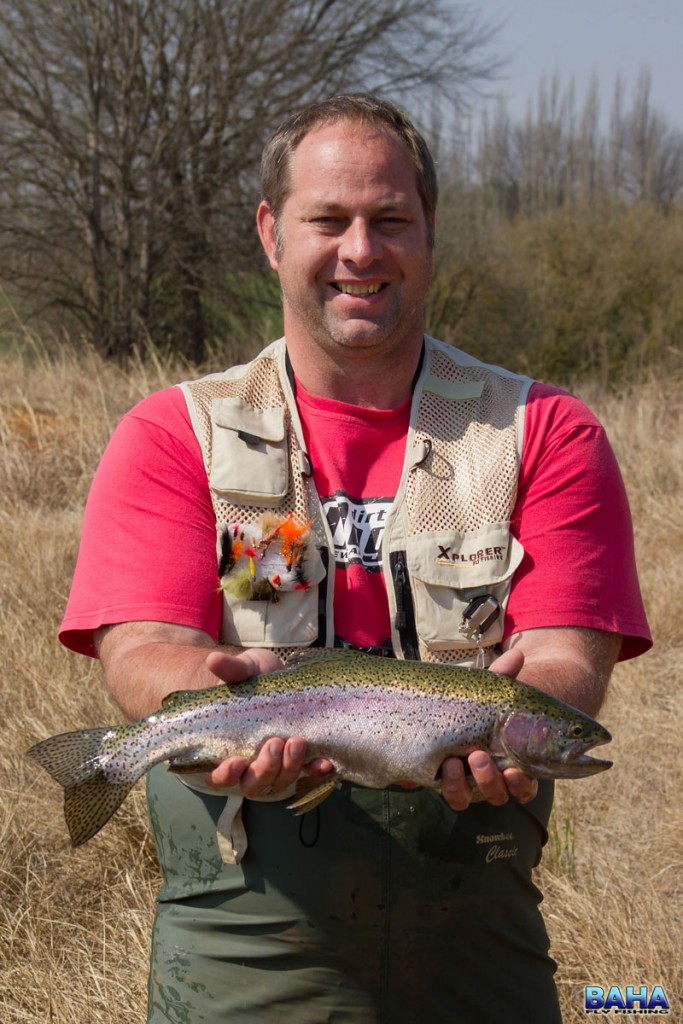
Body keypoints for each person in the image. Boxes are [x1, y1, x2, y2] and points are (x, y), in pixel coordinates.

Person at [59, 94, 651, 1023]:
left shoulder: (544, 434)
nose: (360, 251)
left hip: (478, 928)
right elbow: (143, 648)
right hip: (241, 942)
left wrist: (548, 715)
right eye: (327, 220)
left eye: (390, 221)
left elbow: (568, 656)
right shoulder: (176, 433)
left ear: (429, 231)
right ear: (269, 233)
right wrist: (224, 696)